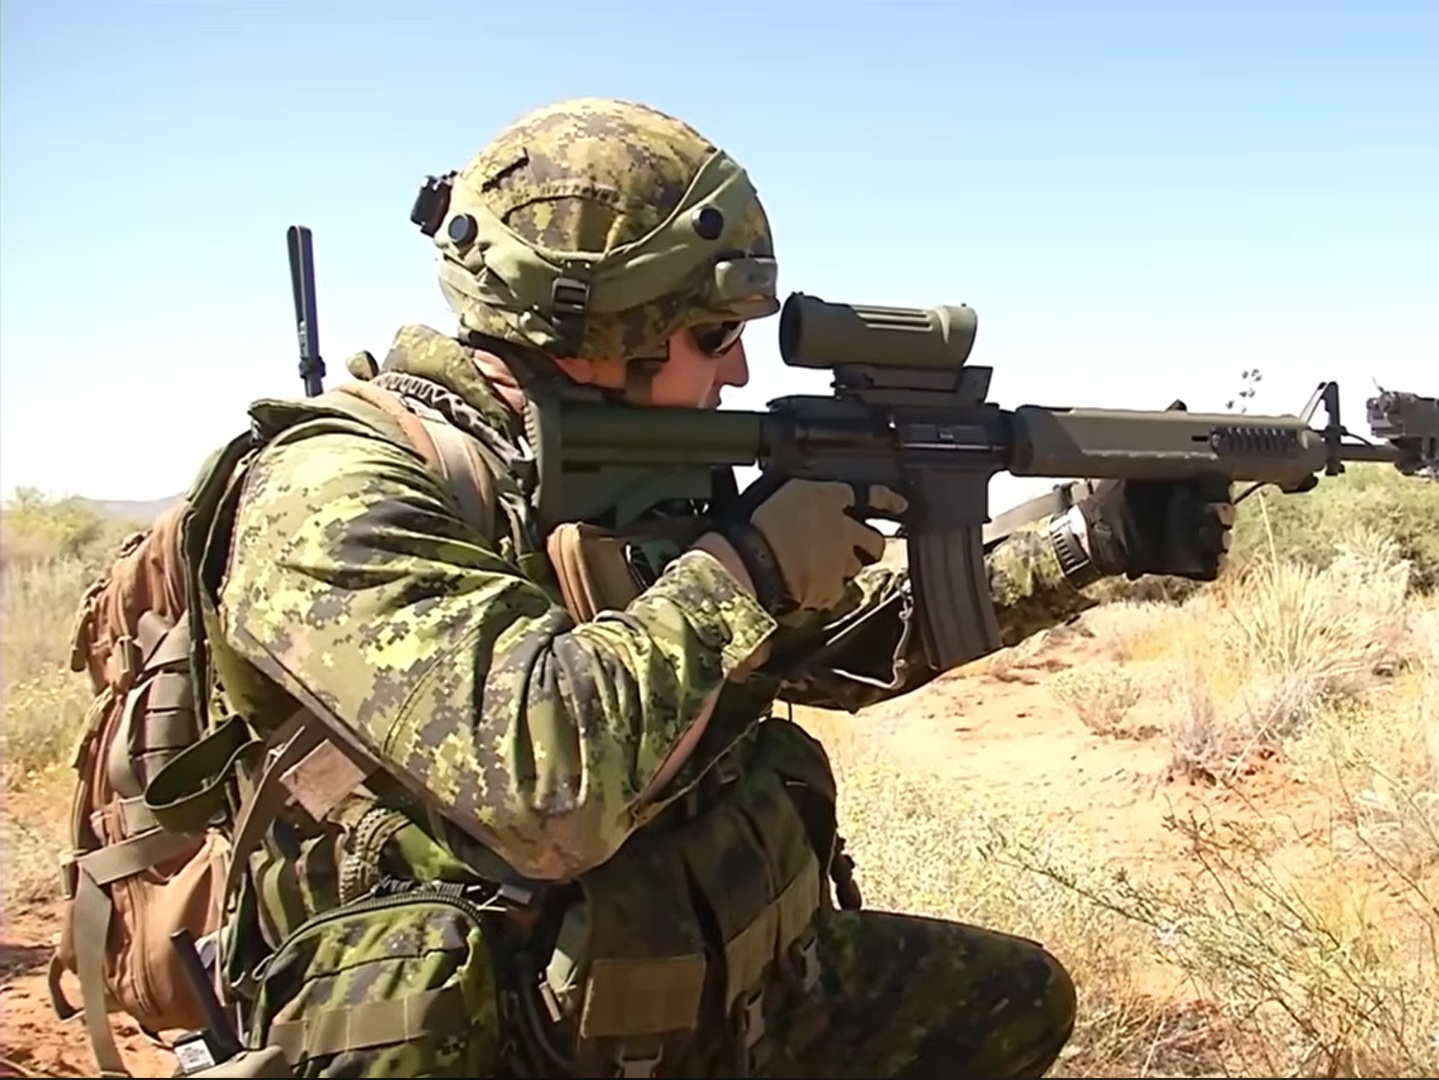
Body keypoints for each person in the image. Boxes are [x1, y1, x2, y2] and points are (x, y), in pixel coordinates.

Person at [186, 96, 1235, 1078]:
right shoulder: (335, 489)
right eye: (715, 334)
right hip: (485, 1025)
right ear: (604, 326)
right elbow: (549, 787)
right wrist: (749, 567)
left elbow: (817, 650)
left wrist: (1089, 543)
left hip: (687, 972)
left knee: (1013, 1001)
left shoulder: (639, 472)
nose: (737, 373)